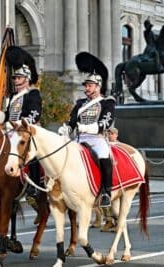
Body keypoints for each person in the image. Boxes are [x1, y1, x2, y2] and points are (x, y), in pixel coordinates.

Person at [59, 52, 115, 208]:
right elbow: (72, 120)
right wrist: (66, 129)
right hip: (79, 139)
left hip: (97, 139)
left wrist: (85, 127)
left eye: (90, 85)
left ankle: (106, 192)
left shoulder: (107, 103)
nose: (86, 88)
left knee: (104, 155)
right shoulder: (80, 103)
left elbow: (105, 123)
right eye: (86, 85)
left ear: (98, 86)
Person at [0, 46, 42, 205]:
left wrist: (18, 125)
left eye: (18, 78)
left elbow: (34, 114)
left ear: (26, 79)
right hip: (11, 132)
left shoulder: (33, 94)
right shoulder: (13, 96)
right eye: (14, 78)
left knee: (32, 153)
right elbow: (7, 115)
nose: (16, 81)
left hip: (27, 131)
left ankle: (35, 186)